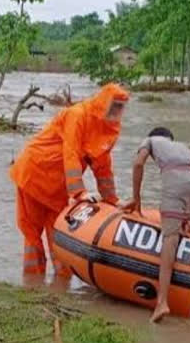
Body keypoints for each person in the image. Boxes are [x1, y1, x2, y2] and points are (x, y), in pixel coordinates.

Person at [9, 83, 129, 279]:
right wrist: (79, 193)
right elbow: (70, 153)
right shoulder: (77, 115)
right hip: (34, 173)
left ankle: (60, 286)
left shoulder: (109, 128)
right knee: (32, 234)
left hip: (58, 186)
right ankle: (32, 284)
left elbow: (103, 165)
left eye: (120, 107)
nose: (117, 111)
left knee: (58, 236)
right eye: (114, 105)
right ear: (103, 102)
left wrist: (112, 200)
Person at [121, 127, 190, 323]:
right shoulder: (182, 147)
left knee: (169, 239)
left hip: (175, 186)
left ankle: (162, 302)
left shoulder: (149, 141)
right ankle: (186, 231)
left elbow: (138, 164)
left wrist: (136, 198)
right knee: (181, 226)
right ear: (170, 139)